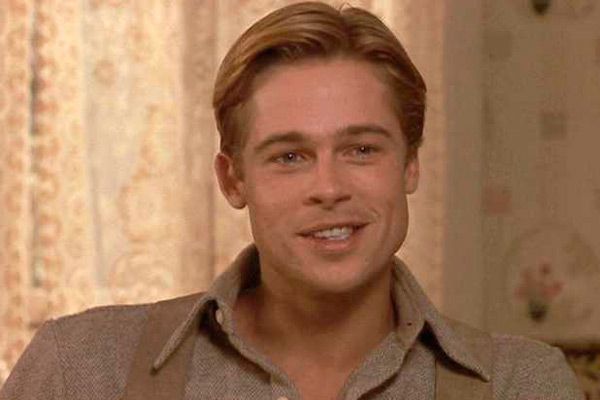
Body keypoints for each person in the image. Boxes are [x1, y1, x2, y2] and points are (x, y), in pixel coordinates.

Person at [1, 2, 584, 399]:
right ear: (233, 180)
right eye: (289, 156)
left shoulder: (522, 384)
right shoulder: (81, 370)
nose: (328, 188)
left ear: (410, 165)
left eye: (361, 149)